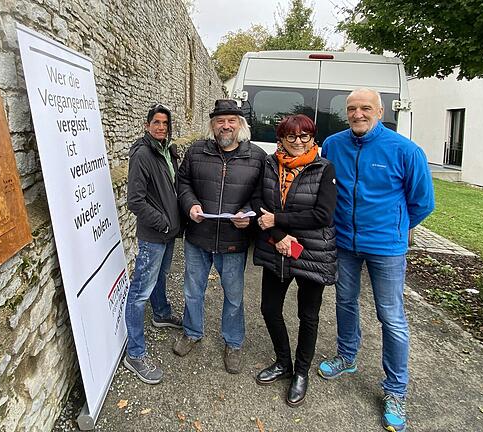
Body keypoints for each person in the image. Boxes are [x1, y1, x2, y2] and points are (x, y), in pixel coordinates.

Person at [318, 88, 434, 432]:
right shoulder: (333, 145)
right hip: (345, 243)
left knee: (391, 316)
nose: (358, 114)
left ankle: (396, 390)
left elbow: (422, 203)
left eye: (365, 108)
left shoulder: (405, 150)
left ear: (379, 111)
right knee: (344, 301)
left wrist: (394, 228)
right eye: (352, 108)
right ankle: (346, 356)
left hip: (386, 247)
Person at [172, 99, 266, 374]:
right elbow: (183, 182)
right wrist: (190, 205)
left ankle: (233, 342)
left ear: (240, 125)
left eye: (231, 121)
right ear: (212, 125)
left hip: (233, 240)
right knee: (192, 290)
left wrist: (247, 214)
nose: (225, 126)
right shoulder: (196, 151)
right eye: (220, 121)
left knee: (234, 296)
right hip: (199, 236)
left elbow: (261, 196)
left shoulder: (257, 157)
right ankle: (192, 331)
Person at [252, 114, 337, 407]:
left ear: (313, 139)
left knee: (308, 315)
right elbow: (256, 203)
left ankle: (301, 372)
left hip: (312, 252)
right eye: (291, 136)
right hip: (278, 247)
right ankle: (283, 362)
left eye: (304, 136)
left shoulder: (323, 168)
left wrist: (279, 219)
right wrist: (278, 234)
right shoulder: (268, 164)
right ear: (281, 139)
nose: (298, 142)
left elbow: (322, 215)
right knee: (269, 308)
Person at [123, 103, 184, 385]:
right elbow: (135, 201)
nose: (161, 127)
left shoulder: (167, 151)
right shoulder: (143, 154)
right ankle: (135, 353)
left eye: (165, 123)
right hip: (154, 233)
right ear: (147, 125)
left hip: (169, 232)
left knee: (161, 275)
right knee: (139, 292)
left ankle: (161, 314)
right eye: (156, 123)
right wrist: (161, 222)